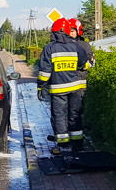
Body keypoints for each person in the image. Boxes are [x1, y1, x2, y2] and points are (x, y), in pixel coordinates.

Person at [37, 18, 91, 154]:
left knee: (60, 116)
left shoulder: (50, 48)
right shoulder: (77, 46)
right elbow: (84, 64)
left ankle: (63, 146)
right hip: (75, 88)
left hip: (58, 89)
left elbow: (44, 72)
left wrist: (40, 86)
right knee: (75, 115)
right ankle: (77, 145)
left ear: (55, 32)